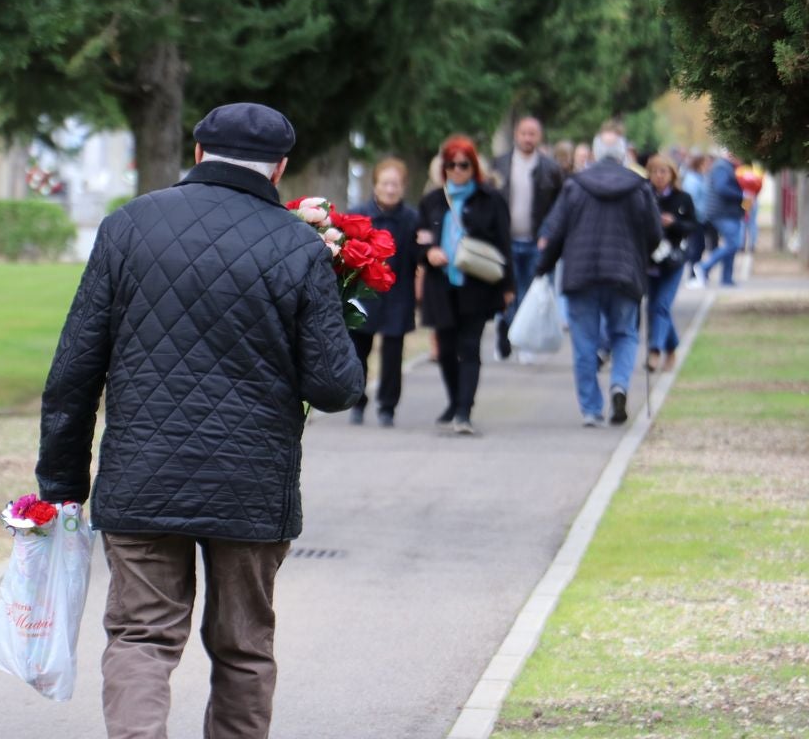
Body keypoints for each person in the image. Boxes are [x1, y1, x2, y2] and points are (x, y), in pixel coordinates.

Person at [33, 102, 364, 739]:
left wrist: (63, 484)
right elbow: (335, 387)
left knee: (140, 638)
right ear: (280, 169)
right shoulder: (299, 247)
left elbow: (74, 370)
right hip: (251, 483)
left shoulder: (127, 228)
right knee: (243, 647)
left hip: (142, 475)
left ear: (197, 153)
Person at [535, 124, 662, 427]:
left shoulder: (575, 185)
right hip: (624, 272)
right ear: (621, 154)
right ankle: (619, 384)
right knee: (625, 333)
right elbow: (654, 234)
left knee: (584, 341)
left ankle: (591, 409)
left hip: (581, 273)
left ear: (594, 154)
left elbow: (556, 231)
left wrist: (543, 267)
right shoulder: (639, 186)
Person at [419, 135, 514, 435]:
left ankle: (464, 411)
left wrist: (509, 286)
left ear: (474, 167)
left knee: (469, 347)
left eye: (464, 165)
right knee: (445, 349)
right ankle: (454, 400)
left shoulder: (490, 199)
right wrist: (428, 253)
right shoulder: (432, 201)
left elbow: (504, 244)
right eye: (452, 164)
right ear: (443, 167)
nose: (458, 170)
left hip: (477, 285)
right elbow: (417, 241)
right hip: (441, 284)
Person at [348, 157, 420, 427]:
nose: (391, 189)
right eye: (386, 184)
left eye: (396, 184)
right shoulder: (359, 216)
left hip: (398, 294)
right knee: (358, 352)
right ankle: (357, 402)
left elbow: (419, 257)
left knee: (392, 355)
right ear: (375, 186)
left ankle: (387, 406)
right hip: (364, 294)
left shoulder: (413, 220)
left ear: (403, 187)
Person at [492, 116, 564, 360]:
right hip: (505, 240)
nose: (527, 138)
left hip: (536, 241)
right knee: (507, 290)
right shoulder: (500, 165)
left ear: (539, 136)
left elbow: (559, 206)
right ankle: (506, 327)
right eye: (523, 133)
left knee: (530, 291)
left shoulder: (550, 168)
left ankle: (523, 342)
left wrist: (549, 234)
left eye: (532, 133)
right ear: (516, 134)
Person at [644, 154, 697, 372]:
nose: (659, 176)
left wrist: (674, 222)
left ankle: (655, 350)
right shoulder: (644, 196)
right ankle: (672, 347)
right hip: (649, 260)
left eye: (663, 172)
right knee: (653, 308)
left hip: (673, 261)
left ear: (672, 174)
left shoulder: (683, 198)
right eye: (655, 172)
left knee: (662, 305)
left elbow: (693, 226)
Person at [691, 150, 746, 287]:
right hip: (721, 212)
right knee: (734, 243)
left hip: (729, 212)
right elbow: (722, 188)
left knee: (731, 244)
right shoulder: (721, 167)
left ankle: (726, 278)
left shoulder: (727, 167)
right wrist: (742, 194)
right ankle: (703, 267)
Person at [681, 153, 717, 276]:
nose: (708, 166)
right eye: (706, 163)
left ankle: (697, 272)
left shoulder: (702, 177)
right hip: (696, 218)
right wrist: (700, 214)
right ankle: (693, 274)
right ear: (699, 164)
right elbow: (692, 201)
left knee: (701, 246)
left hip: (703, 218)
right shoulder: (692, 180)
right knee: (697, 246)